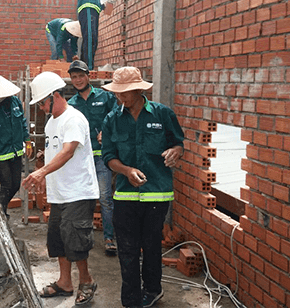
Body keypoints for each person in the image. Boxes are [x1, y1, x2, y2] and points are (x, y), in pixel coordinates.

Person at [100, 67, 184, 308]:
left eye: (125, 92)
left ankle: (153, 290)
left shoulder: (163, 114)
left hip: (157, 194)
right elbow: (108, 157)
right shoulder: (112, 120)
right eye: (117, 93)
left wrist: (175, 152)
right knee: (127, 250)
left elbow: (178, 143)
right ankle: (131, 300)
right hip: (125, 195)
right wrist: (126, 171)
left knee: (151, 246)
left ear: (138, 90)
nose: (120, 97)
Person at [22, 71, 100, 306]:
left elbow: (67, 152)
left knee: (76, 239)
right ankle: (65, 282)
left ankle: (86, 281)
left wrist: (41, 173)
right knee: (58, 239)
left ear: (55, 95)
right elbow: (53, 153)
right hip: (60, 192)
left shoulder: (73, 119)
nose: (41, 108)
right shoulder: (51, 122)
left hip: (78, 191)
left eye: (43, 103)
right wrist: (45, 177)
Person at [67, 60, 119, 256]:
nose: (78, 80)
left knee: (105, 197)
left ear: (88, 76)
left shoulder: (105, 97)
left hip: (101, 157)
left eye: (81, 76)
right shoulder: (71, 105)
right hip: (81, 159)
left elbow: (117, 117)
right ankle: (83, 236)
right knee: (83, 198)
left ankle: (109, 238)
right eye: (74, 77)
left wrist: (107, 132)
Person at [0, 73, 33, 219]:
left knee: (16, 185)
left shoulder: (15, 102)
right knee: (6, 185)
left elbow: (22, 122)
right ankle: (0, 214)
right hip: (0, 154)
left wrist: (27, 140)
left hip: (16, 151)